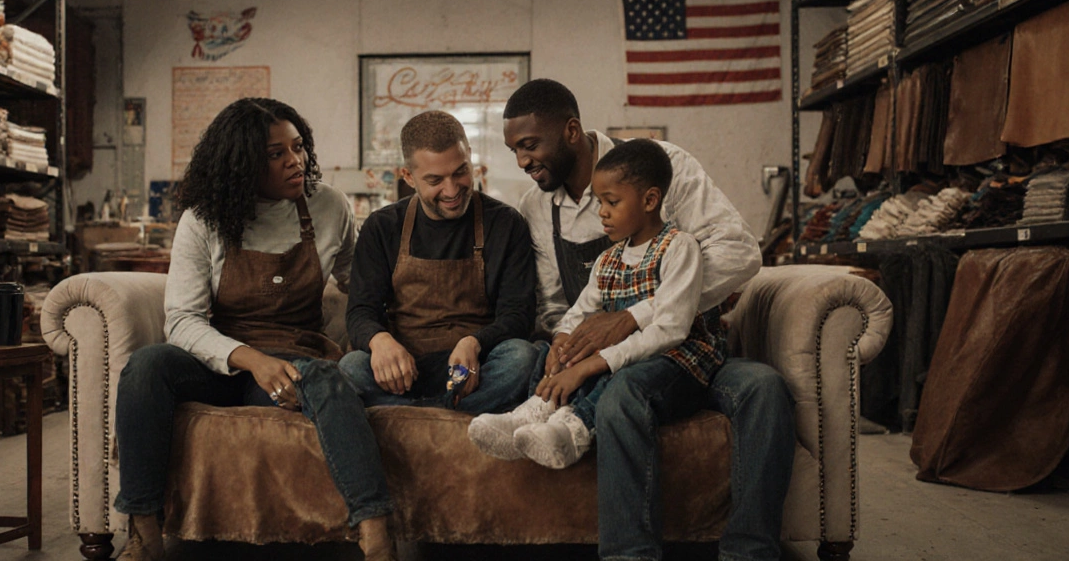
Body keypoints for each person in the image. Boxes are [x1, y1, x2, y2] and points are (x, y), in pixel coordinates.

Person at [496, 79, 795, 561]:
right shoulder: (536, 206)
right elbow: (554, 304)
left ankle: (749, 551)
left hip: (694, 349)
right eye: (514, 151)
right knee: (614, 393)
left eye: (529, 146)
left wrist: (635, 316)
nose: (522, 162)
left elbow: (739, 253)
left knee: (766, 389)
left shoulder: (663, 165)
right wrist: (567, 341)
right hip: (611, 365)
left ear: (571, 131)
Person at [112, 99, 396, 561]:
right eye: (275, 154)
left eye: (299, 147)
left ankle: (377, 534)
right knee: (146, 365)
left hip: (296, 360)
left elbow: (359, 283)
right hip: (219, 362)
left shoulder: (327, 206)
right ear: (242, 164)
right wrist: (252, 360)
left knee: (328, 377)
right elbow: (182, 321)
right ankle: (144, 531)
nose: (295, 161)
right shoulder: (203, 219)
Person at [474, 140, 722, 474]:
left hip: (672, 357)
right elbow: (581, 311)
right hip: (623, 351)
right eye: (598, 201)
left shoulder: (679, 248)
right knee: (559, 352)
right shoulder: (608, 259)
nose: (601, 212)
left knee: (613, 373)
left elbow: (670, 329)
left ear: (650, 200)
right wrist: (563, 341)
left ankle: (573, 428)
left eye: (611, 202)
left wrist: (590, 365)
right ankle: (533, 411)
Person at [340, 110, 539, 413]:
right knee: (351, 366)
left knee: (523, 358)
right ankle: (454, 413)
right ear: (408, 176)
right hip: (405, 373)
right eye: (435, 180)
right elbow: (360, 311)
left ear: (470, 158)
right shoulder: (382, 227)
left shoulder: (506, 223)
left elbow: (518, 315)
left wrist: (473, 342)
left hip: (474, 370)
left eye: (460, 172)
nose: (451, 190)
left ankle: (410, 415)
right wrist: (379, 340)